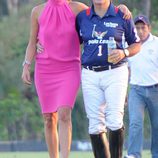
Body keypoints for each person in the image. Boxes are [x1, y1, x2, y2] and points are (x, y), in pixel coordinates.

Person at [21, 0, 132, 158]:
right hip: (45, 68)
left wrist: (120, 9)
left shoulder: (78, 9)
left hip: (69, 68)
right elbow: (32, 42)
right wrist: (26, 65)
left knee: (64, 113)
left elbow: (101, 15)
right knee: (48, 118)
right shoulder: (37, 11)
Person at [76, 0, 141, 158]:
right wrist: (41, 44)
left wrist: (123, 52)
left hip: (115, 72)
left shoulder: (122, 14)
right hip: (90, 73)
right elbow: (70, 41)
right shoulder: (82, 17)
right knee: (95, 125)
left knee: (114, 119)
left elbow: (136, 44)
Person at [124, 15, 158, 158]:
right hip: (136, 90)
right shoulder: (130, 44)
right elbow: (126, 69)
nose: (140, 31)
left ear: (148, 28)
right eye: (137, 28)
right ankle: (133, 154)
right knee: (135, 124)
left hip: (155, 89)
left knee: (156, 125)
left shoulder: (156, 43)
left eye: (143, 27)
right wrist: (124, 91)